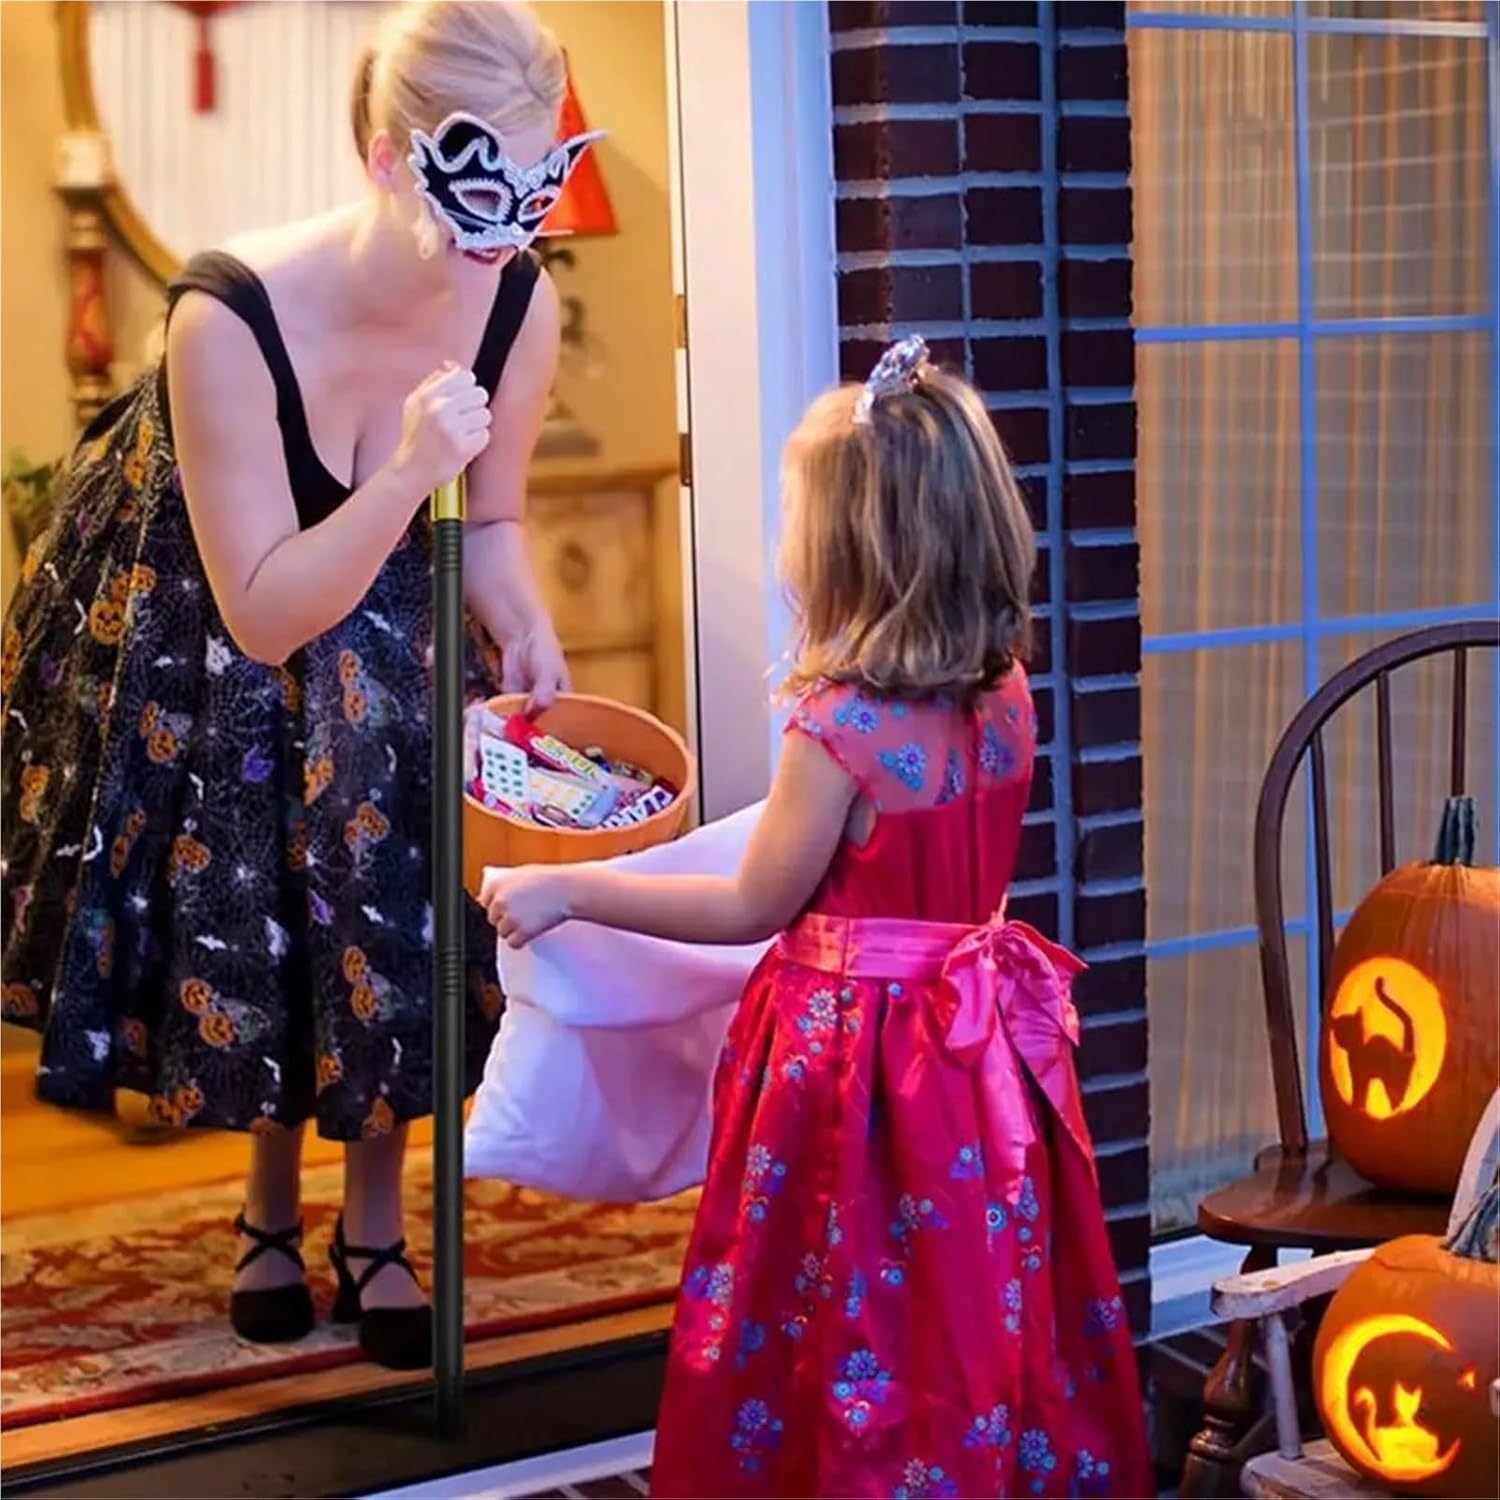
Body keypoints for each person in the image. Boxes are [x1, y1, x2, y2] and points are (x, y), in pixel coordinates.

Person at [0, 0, 590, 1371]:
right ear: (388, 158)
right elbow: (265, 611)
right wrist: (409, 466)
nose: (510, 230)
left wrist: (524, 617)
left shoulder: (519, 297)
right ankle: (267, 1205)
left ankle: (374, 1223)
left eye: (538, 182)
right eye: (482, 187)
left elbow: (496, 519)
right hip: (217, 603)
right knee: (260, 890)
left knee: (389, 887)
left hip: (395, 594)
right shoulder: (226, 314)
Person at [482, 337, 1152, 1496]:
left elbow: (754, 903)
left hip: (852, 1071)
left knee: (833, 1298)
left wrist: (569, 889)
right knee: (958, 1288)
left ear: (844, 549)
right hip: (976, 1058)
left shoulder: (838, 727)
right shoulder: (1005, 693)